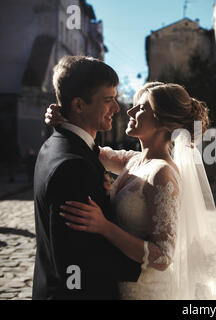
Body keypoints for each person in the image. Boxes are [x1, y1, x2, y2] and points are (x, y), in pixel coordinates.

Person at [45, 81, 216, 299]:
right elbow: (90, 149)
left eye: (140, 108)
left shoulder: (162, 174)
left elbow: (163, 257)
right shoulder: (134, 160)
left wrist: (104, 227)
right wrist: (64, 121)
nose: (129, 110)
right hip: (120, 282)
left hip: (145, 290)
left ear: (162, 121)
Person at [32, 56, 142, 300]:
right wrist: (142, 264)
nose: (117, 108)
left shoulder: (54, 145)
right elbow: (77, 258)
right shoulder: (73, 166)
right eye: (108, 100)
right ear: (79, 106)